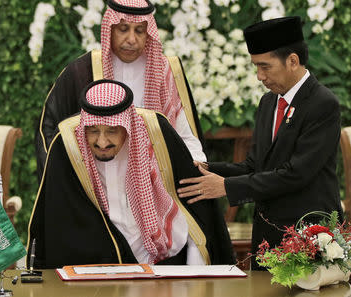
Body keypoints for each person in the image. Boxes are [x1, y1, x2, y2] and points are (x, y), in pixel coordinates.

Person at [177, 16, 344, 270]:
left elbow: (295, 174)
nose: (259, 76)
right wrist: (208, 169)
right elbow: (256, 165)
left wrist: (226, 187)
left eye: (265, 67)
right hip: (268, 237)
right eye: (256, 67)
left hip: (309, 235)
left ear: (292, 61)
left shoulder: (323, 103)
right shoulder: (268, 102)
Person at [27, 80, 234, 269]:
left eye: (112, 131)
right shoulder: (67, 143)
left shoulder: (156, 132)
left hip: (161, 261)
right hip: (96, 265)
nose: (102, 142)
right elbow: (56, 219)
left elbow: (193, 203)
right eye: (93, 131)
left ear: (128, 126)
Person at [35, 0, 205, 181]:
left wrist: (197, 163)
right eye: (123, 29)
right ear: (110, 29)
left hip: (153, 184)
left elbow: (184, 134)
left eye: (139, 31)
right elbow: (50, 129)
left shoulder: (162, 71)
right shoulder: (82, 71)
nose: (132, 39)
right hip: (96, 186)